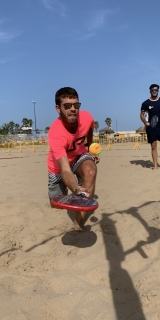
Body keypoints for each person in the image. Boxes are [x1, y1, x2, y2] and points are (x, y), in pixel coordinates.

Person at [47, 87, 99, 230]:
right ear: (58, 108)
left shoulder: (87, 117)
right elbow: (65, 169)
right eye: (67, 106)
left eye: (76, 105)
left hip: (78, 155)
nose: (72, 109)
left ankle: (78, 223)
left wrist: (90, 146)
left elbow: (90, 127)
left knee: (90, 171)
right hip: (58, 166)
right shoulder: (56, 133)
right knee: (55, 205)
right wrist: (76, 189)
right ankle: (75, 193)